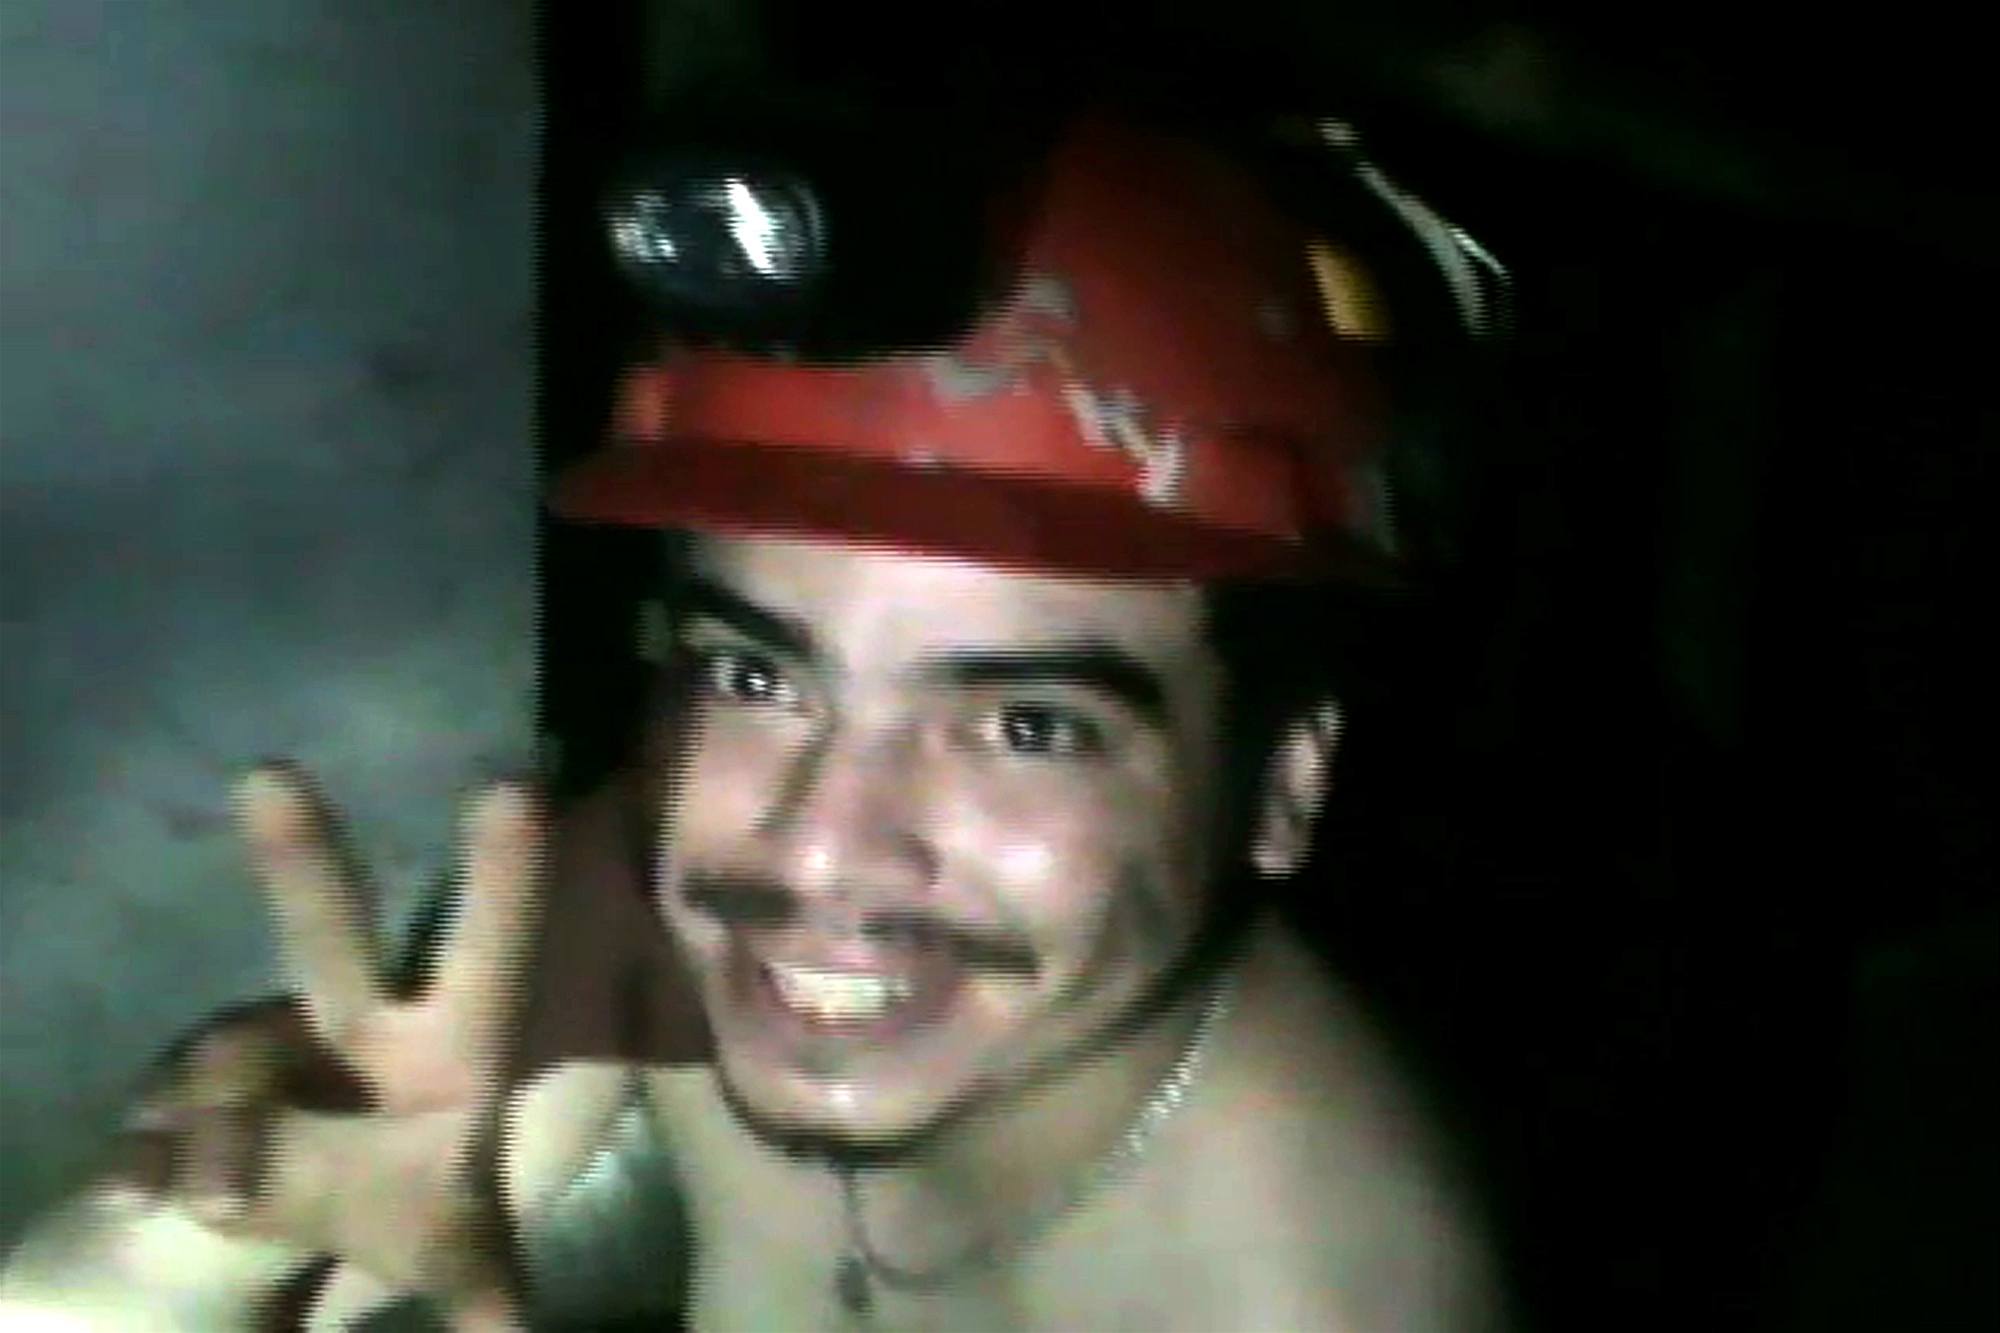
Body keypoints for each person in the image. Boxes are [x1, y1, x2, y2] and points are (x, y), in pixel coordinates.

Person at [0, 107, 1513, 1330]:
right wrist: (189, 1246)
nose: (818, 850)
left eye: (1027, 726)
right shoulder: (655, 889)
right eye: (758, 677)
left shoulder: (1315, 1292)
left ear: (1282, 784)